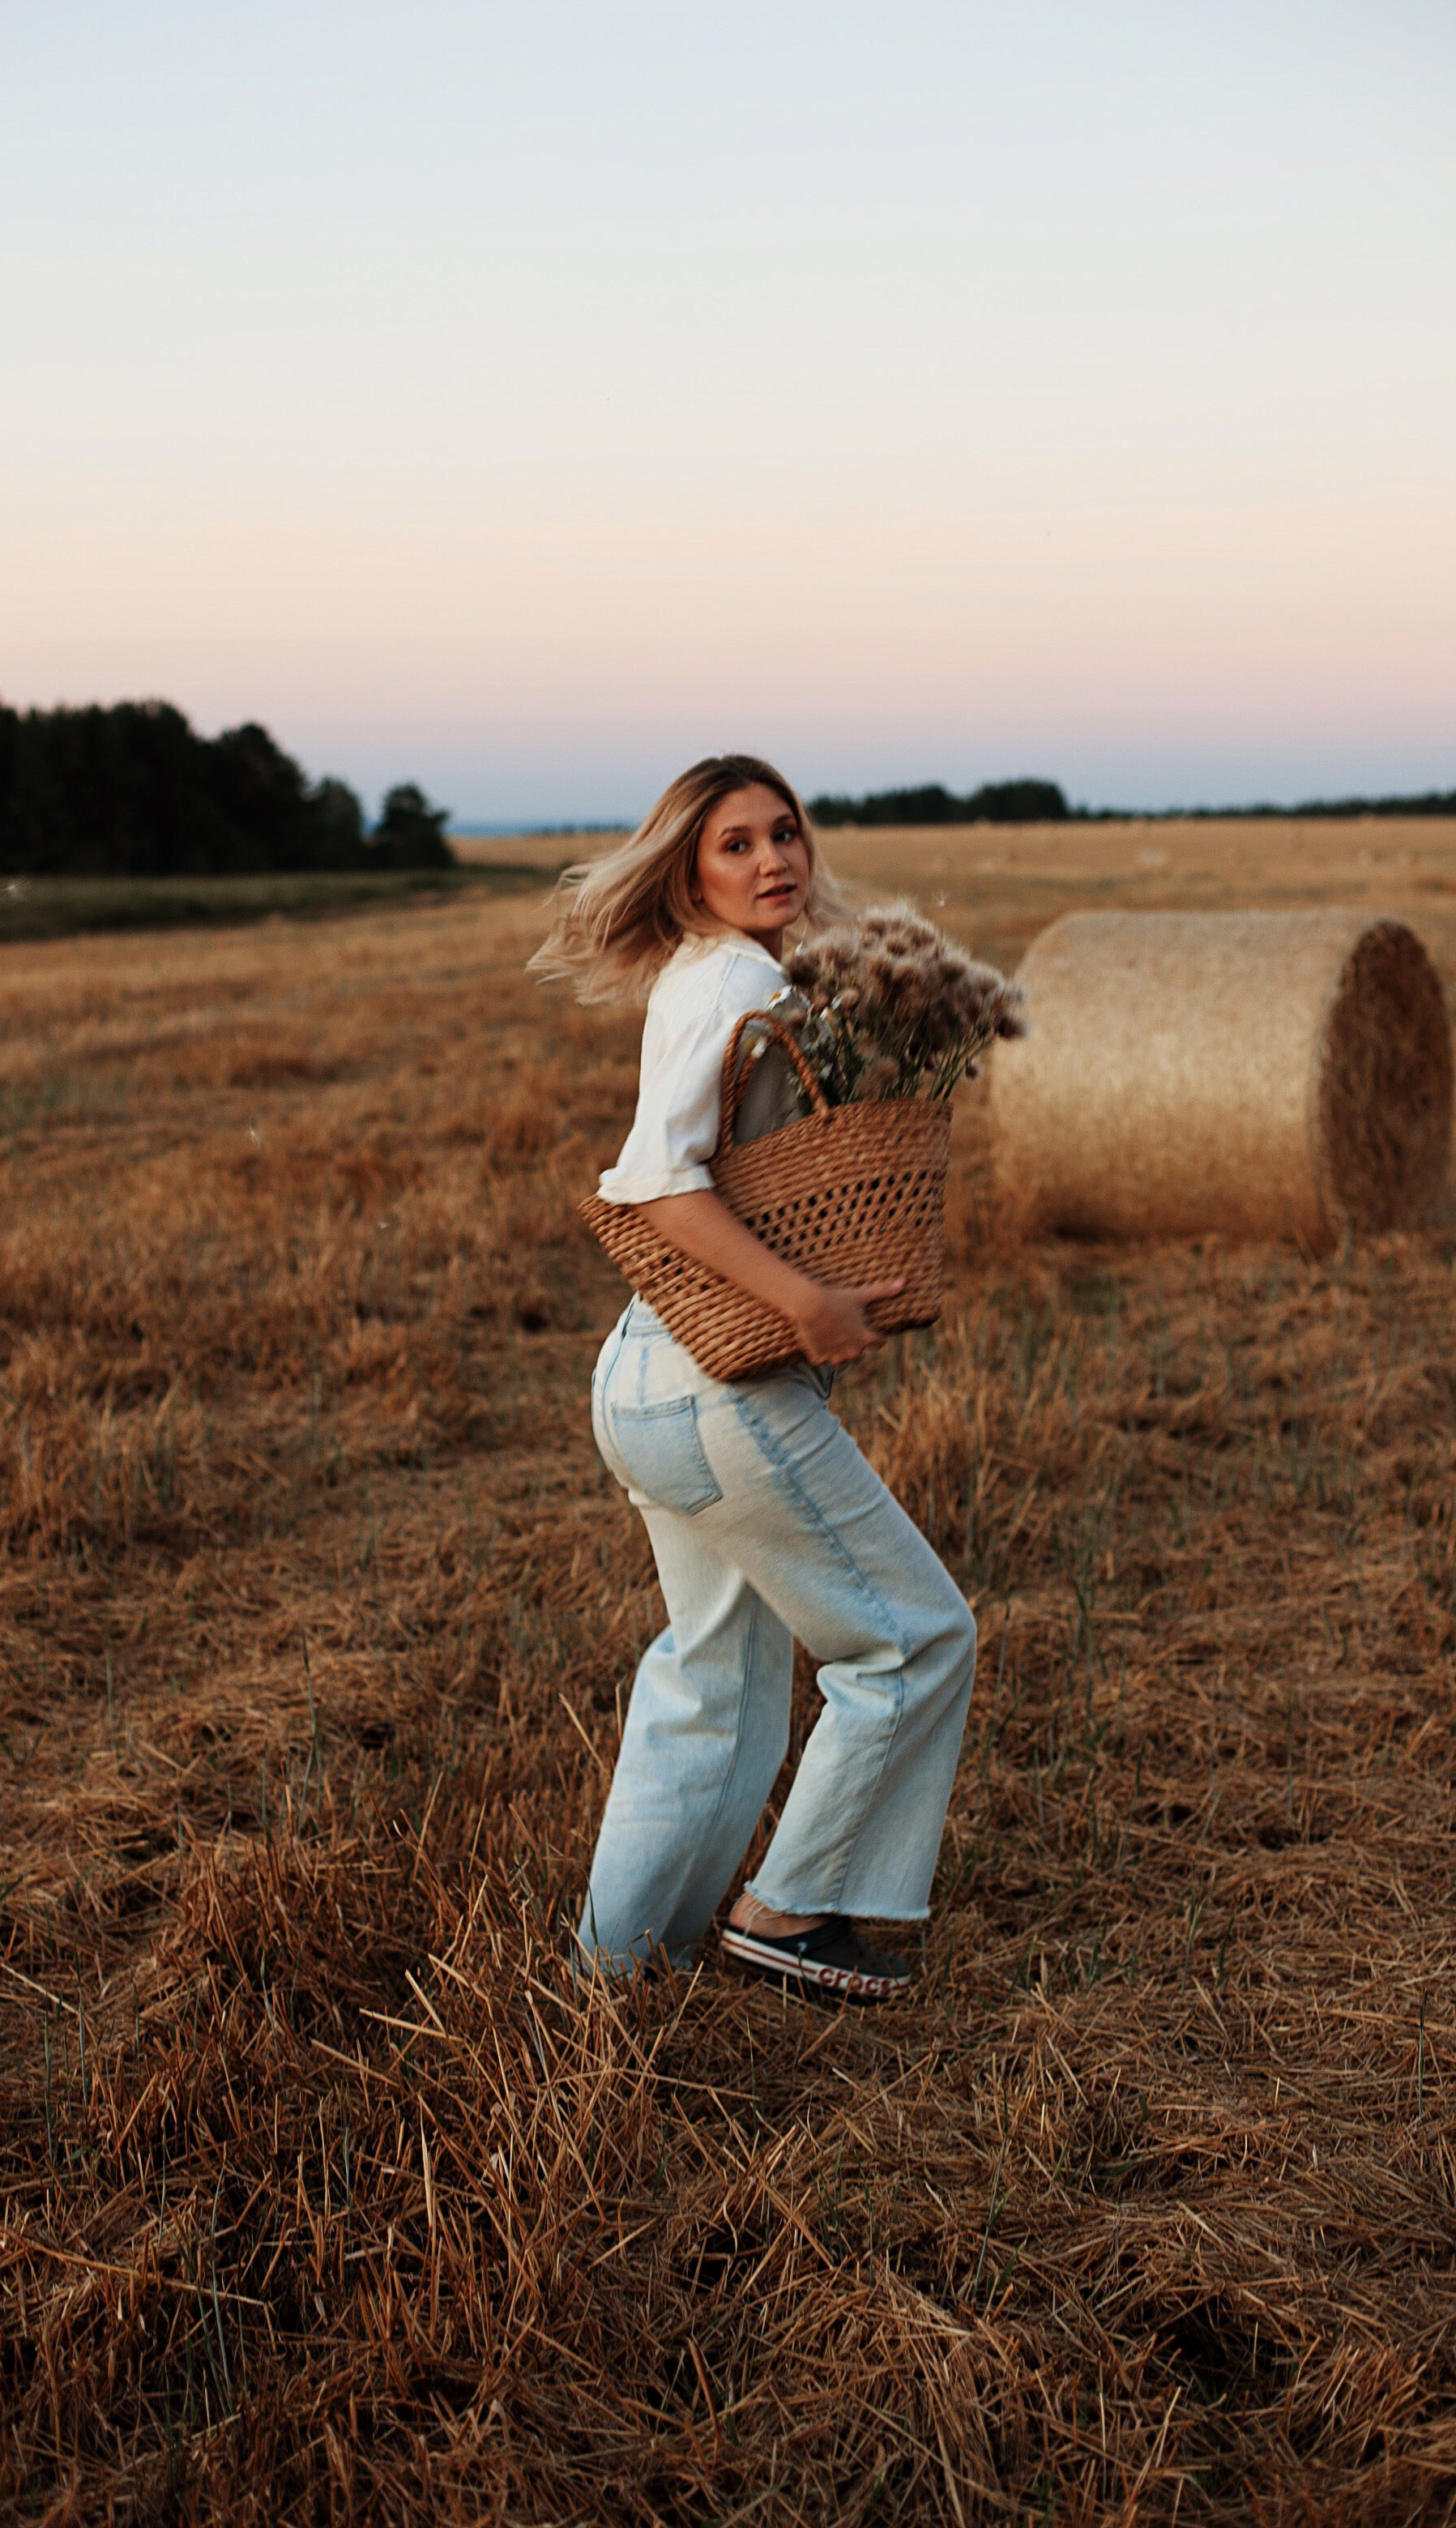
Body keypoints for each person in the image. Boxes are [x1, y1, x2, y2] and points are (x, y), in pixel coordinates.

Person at [530, 754, 977, 2002]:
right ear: (688, 869)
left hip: (645, 1377)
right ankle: (787, 1913)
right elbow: (654, 1179)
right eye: (736, 843)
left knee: (709, 1689)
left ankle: (615, 1975)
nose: (773, 859)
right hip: (719, 1386)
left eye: (785, 834)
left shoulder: (710, 975)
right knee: (916, 1641)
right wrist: (809, 1301)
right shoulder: (734, 977)